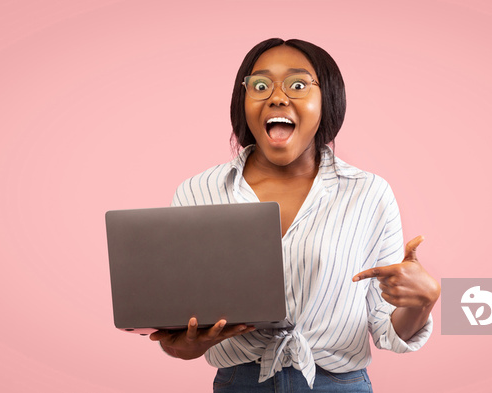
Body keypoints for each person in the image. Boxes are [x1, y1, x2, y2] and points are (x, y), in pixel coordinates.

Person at [150, 38, 440, 392]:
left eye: (298, 84)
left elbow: (387, 328)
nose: (276, 96)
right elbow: (177, 334)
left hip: (338, 384)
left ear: (327, 100)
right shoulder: (198, 192)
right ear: (243, 102)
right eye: (260, 85)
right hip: (241, 383)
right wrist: (186, 344)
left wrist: (424, 302)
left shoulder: (369, 194)